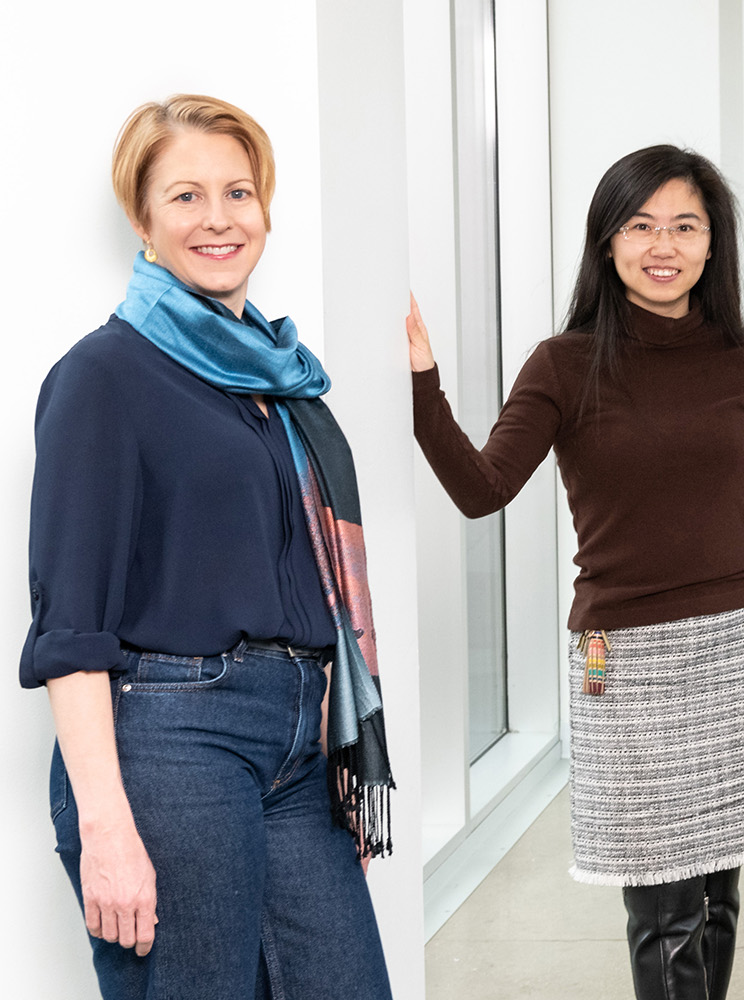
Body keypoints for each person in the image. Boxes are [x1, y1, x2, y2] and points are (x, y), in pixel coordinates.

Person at [406, 145, 744, 1000]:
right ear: (607, 241)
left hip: (734, 648)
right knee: (661, 903)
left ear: (712, 245)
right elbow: (482, 490)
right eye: (640, 225)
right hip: (619, 661)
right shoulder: (563, 363)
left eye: (684, 226)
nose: (662, 245)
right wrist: (421, 389)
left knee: (718, 892)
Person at [27, 94, 395, 998]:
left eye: (238, 192)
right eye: (186, 196)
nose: (219, 218)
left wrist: (320, 726)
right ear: (142, 219)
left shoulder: (281, 380)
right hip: (169, 741)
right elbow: (70, 629)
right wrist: (108, 829)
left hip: (299, 750)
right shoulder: (103, 378)